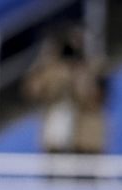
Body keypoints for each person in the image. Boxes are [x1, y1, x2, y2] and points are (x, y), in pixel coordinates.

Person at [23, 25, 108, 155]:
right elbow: (33, 91)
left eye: (80, 43)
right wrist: (47, 64)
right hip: (56, 131)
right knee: (56, 166)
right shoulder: (51, 70)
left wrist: (80, 76)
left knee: (84, 169)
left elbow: (96, 98)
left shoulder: (94, 69)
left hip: (86, 136)